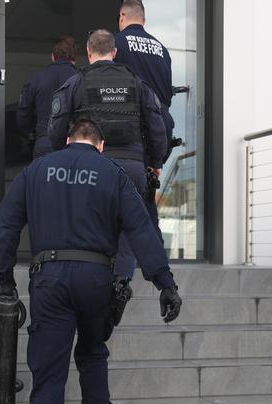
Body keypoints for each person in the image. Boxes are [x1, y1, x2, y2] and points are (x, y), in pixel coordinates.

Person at [0, 119, 182, 404]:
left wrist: (3, 278)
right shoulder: (111, 173)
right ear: (100, 145)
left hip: (49, 277)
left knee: (48, 374)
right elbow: (141, 230)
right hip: (97, 278)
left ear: (67, 140)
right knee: (93, 352)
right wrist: (164, 283)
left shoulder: (38, 170)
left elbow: (7, 226)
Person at [48, 29, 167, 284]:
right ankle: (121, 284)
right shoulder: (136, 81)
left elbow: (56, 129)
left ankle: (88, 284)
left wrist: (62, 156)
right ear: (114, 52)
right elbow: (157, 126)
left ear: (89, 52)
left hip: (90, 166)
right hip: (132, 167)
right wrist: (155, 163)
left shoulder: (76, 81)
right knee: (129, 229)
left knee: (85, 225)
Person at [115, 0, 177, 232]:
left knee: (120, 199)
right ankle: (151, 257)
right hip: (159, 131)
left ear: (122, 16)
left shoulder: (116, 43)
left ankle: (122, 260)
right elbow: (167, 98)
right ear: (143, 19)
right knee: (145, 199)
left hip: (129, 133)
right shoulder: (162, 49)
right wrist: (157, 157)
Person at [17, 36, 79, 159]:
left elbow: (23, 115)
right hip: (73, 143)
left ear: (53, 57)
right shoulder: (81, 78)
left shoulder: (36, 78)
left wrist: (31, 134)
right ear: (74, 59)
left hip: (44, 141)